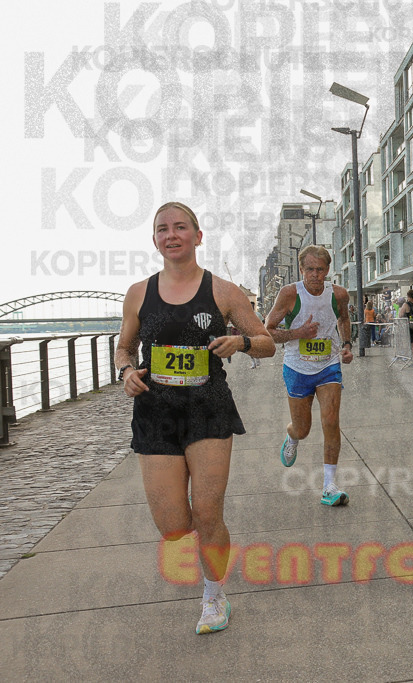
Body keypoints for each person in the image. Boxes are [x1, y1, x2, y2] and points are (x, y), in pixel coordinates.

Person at [116, 202, 275, 635]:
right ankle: (202, 547)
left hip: (208, 410)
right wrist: (126, 372)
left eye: (180, 227)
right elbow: (124, 347)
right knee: (172, 527)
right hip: (155, 413)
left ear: (198, 236)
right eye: (162, 229)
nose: (172, 234)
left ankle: (214, 596)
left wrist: (240, 342)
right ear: (155, 241)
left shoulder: (222, 291)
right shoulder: (138, 293)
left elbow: (266, 342)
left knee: (207, 511)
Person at [265, 245, 355, 507]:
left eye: (320, 269)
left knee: (331, 421)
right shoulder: (289, 294)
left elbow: (344, 319)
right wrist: (298, 333)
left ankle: (329, 485)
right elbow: (267, 330)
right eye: (310, 269)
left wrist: (347, 345)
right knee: (303, 429)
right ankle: (292, 436)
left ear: (328, 270)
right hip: (296, 368)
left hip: (328, 365)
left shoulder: (338, 294)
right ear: (301, 269)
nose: (315, 275)